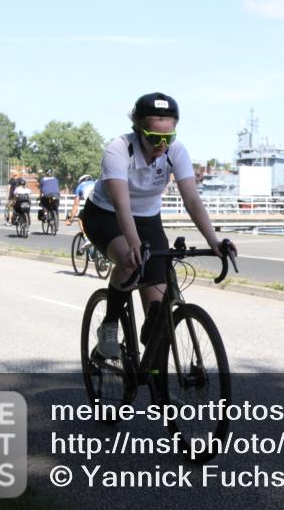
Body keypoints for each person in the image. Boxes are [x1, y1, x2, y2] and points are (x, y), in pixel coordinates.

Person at [80, 92, 236, 358]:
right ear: (138, 130)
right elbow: (121, 206)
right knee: (130, 261)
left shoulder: (176, 151)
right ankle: (109, 325)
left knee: (157, 317)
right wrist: (134, 244)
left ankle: (155, 378)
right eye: (154, 138)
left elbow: (192, 200)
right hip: (106, 214)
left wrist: (214, 241)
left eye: (168, 137)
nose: (161, 145)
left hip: (148, 218)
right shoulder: (118, 150)